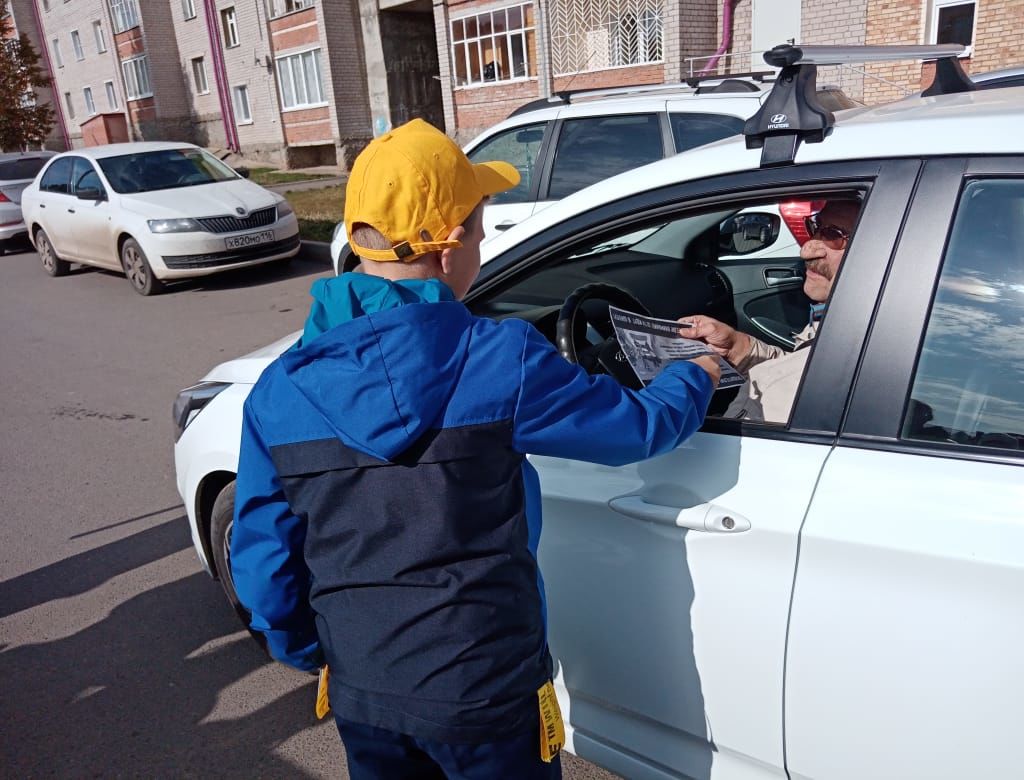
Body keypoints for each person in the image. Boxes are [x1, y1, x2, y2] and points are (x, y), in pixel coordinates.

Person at [229, 118, 721, 780]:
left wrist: (314, 651)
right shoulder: (502, 359)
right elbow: (641, 428)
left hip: (363, 691)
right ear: (452, 242)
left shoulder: (277, 390)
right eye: (483, 234)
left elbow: (265, 565)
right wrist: (698, 370)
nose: (482, 251)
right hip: (487, 693)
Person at [679, 198, 861, 423]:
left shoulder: (865, 343)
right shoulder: (857, 317)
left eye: (833, 235)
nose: (806, 251)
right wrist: (740, 348)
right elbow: (803, 366)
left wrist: (687, 382)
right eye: (815, 227)